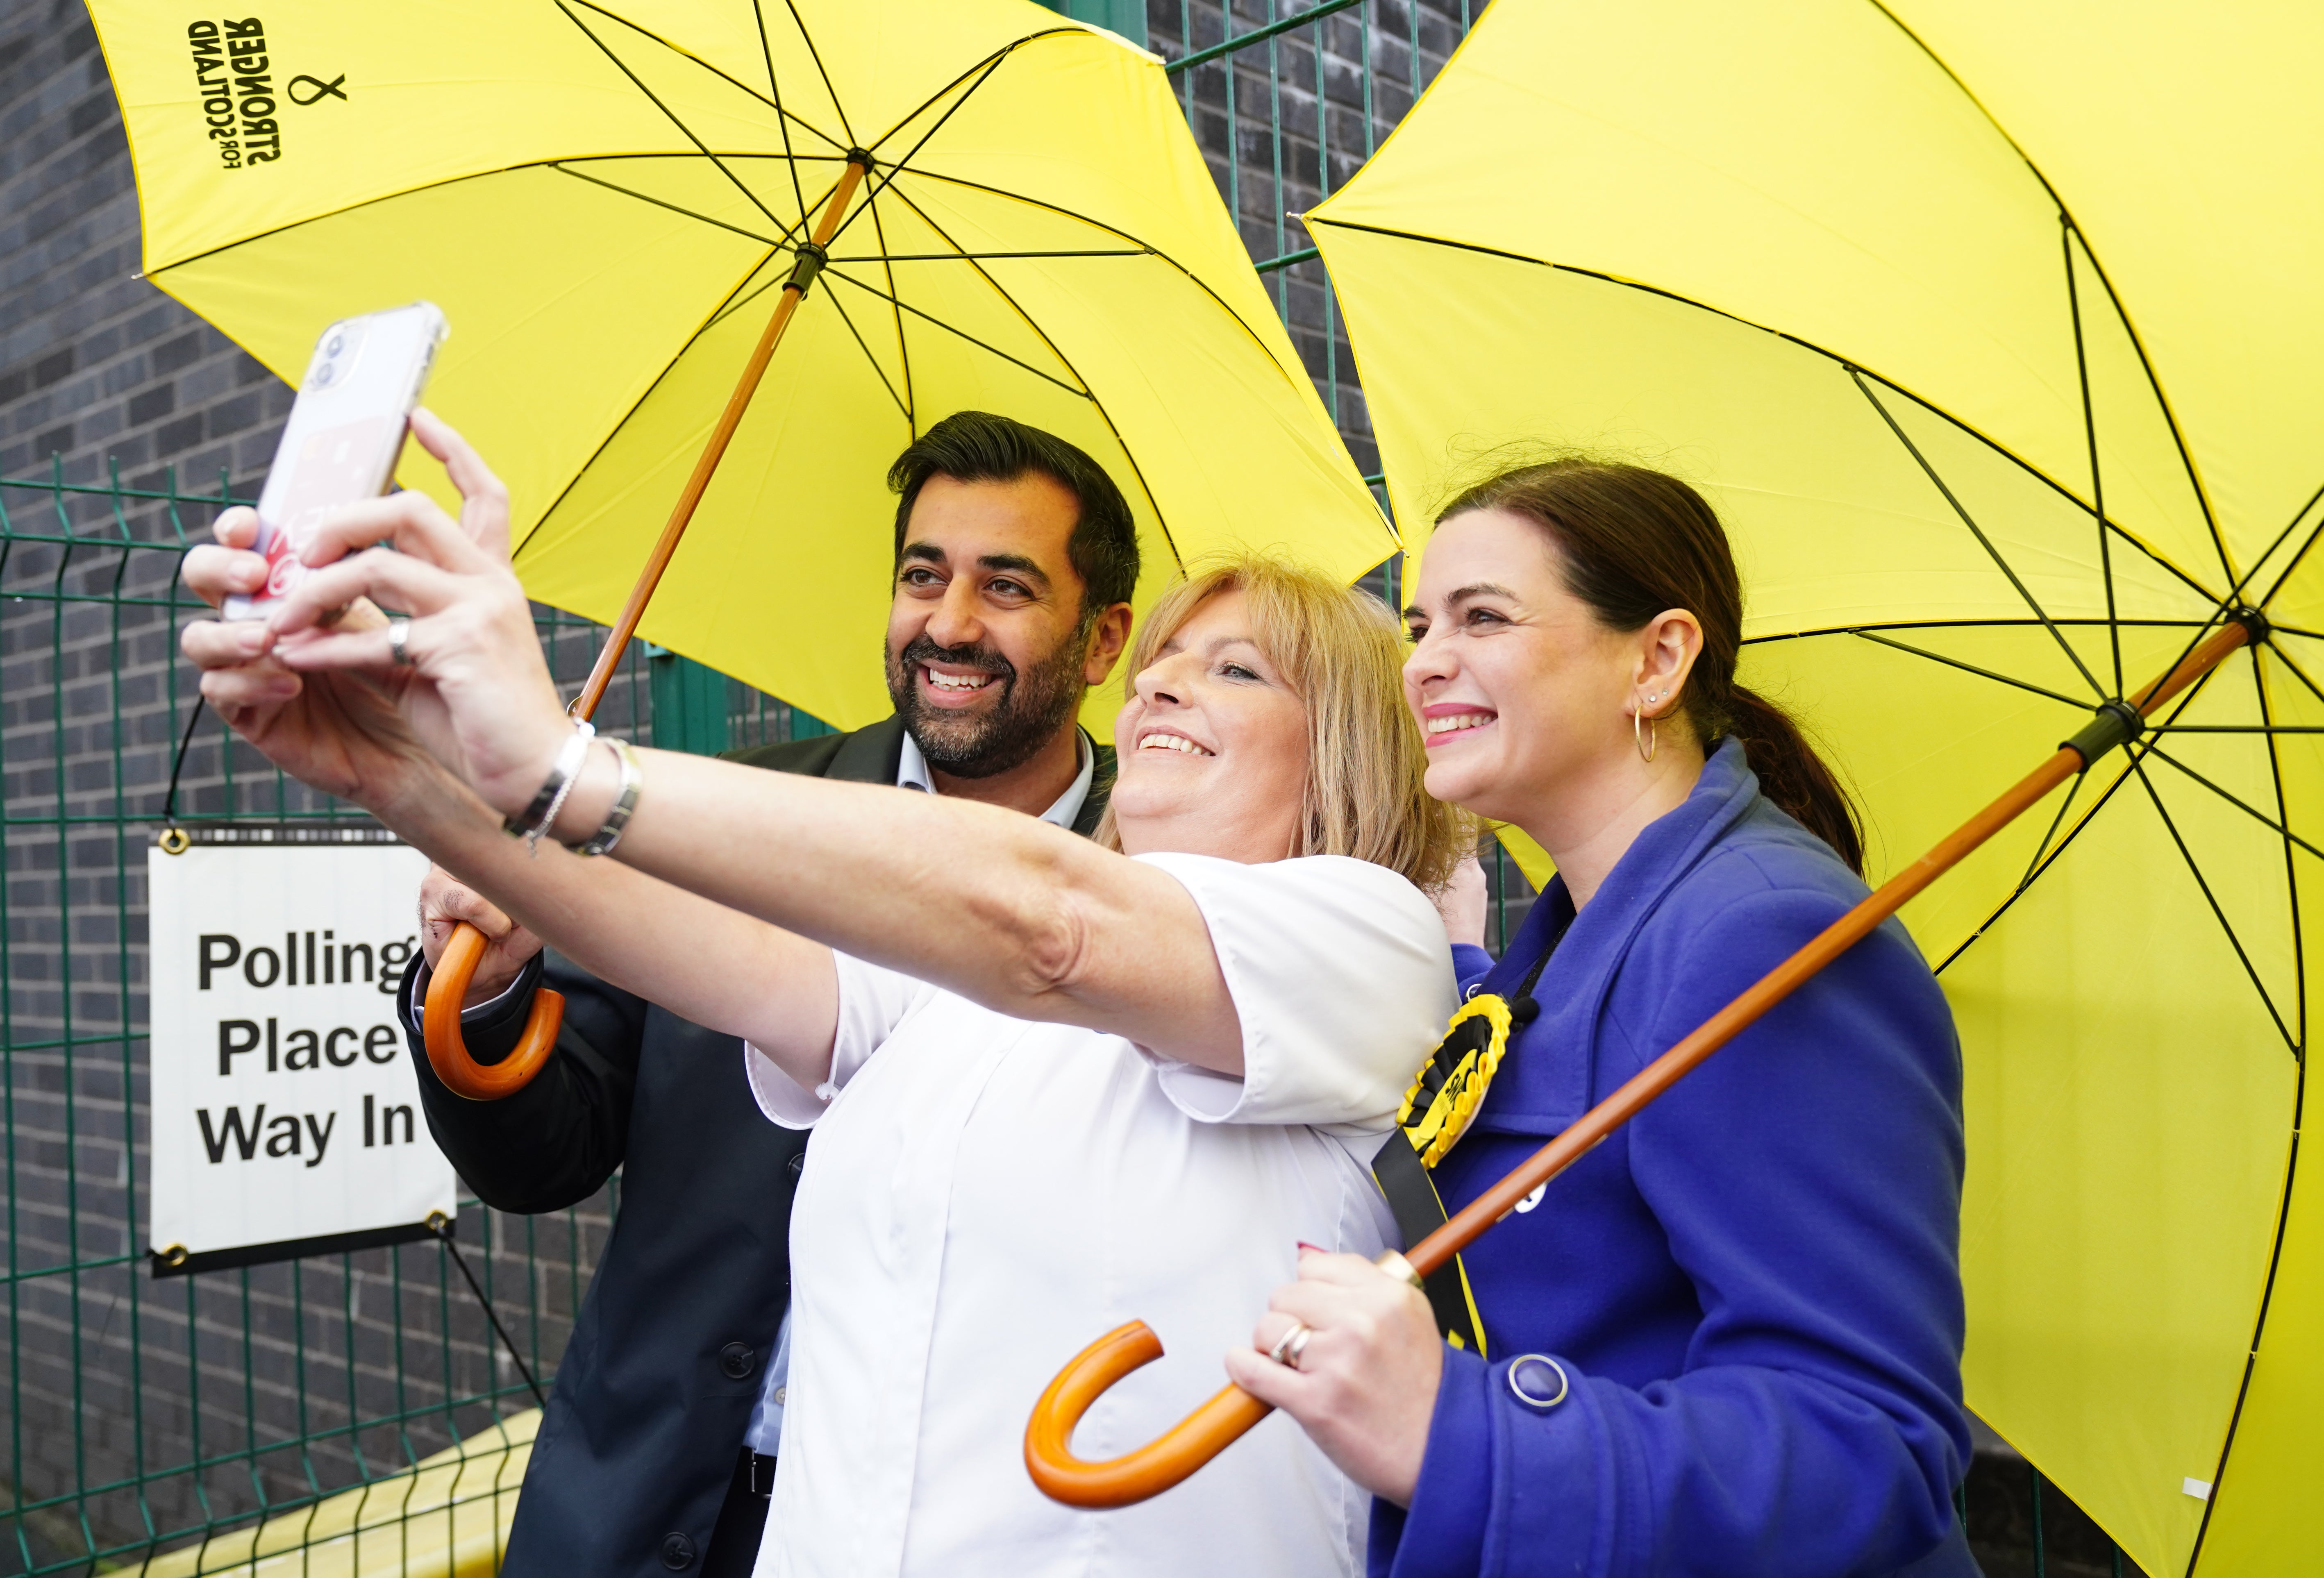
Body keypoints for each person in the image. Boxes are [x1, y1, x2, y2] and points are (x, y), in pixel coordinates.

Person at [178, 411, 1472, 1577]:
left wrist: (564, 763)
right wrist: (408, 771)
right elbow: (729, 955)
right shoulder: (961, 975)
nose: (1169, 688)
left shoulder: (1363, 935)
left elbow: (1052, 922)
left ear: (1344, 749)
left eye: (1237, 670)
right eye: (1172, 665)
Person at [1224, 459, 1976, 1577]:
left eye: (1484, 618)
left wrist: (1461, 1432)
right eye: (1423, 624)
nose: (1425, 663)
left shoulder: (1761, 939)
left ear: (1658, 658)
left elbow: (1866, 1445)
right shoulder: (1578, 942)